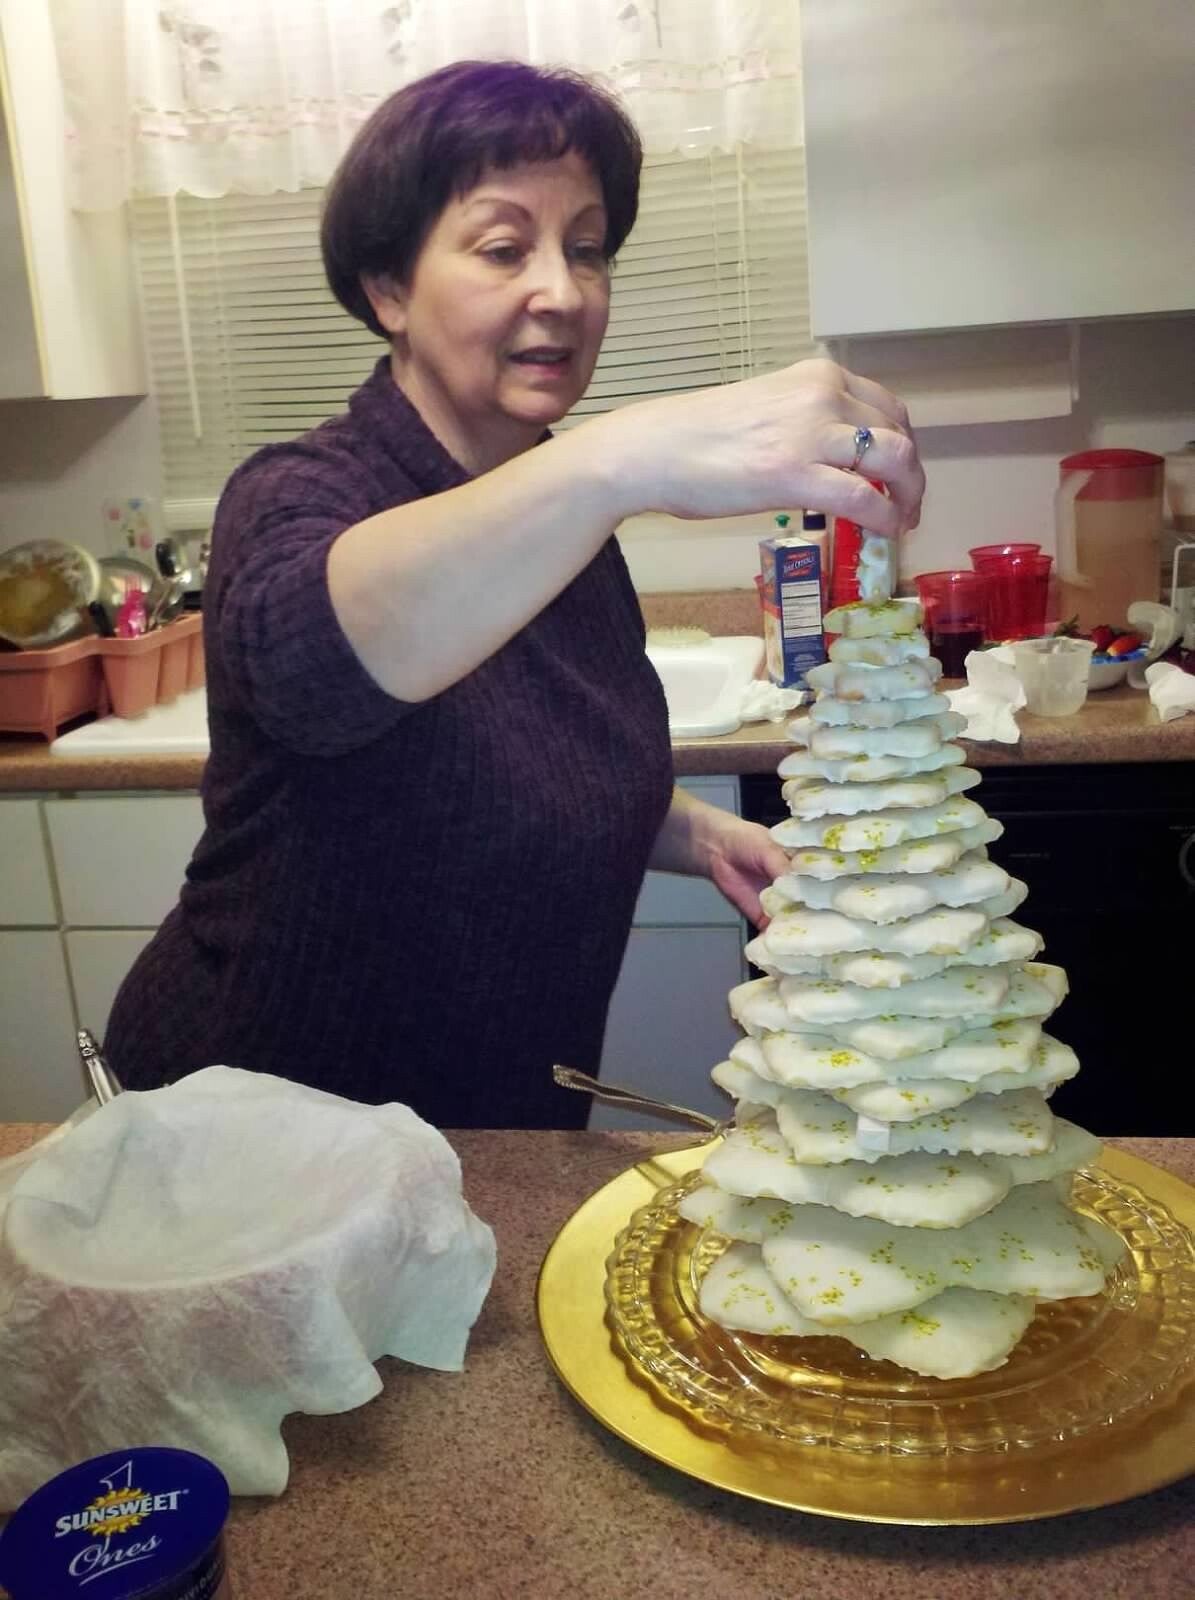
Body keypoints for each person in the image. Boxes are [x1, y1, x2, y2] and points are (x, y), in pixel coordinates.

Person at [104, 60, 923, 1128]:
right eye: (503, 248)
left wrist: (693, 835)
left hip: (485, 1122)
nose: (564, 291)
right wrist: (624, 456)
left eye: (586, 248)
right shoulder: (301, 492)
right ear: (388, 289)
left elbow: (510, 769)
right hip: (258, 1131)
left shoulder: (567, 517)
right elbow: (313, 669)